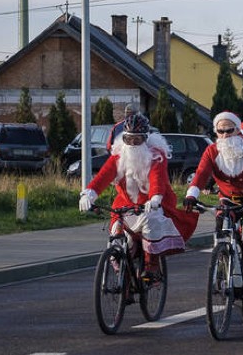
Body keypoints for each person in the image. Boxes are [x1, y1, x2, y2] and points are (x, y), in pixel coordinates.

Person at [79, 113, 198, 281]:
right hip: (125, 204)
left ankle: (151, 265)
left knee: (152, 221)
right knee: (116, 239)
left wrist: (155, 198)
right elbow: (103, 176)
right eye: (128, 139)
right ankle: (124, 280)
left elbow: (157, 179)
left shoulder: (155, 155)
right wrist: (89, 194)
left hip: (152, 204)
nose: (132, 144)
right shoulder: (119, 156)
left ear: (146, 139)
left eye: (137, 140)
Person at [183, 111, 243, 310]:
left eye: (230, 130)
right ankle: (223, 267)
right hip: (228, 200)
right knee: (221, 234)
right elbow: (201, 174)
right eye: (221, 131)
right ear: (216, 133)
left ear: (238, 131)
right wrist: (191, 195)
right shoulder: (211, 151)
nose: (226, 135)